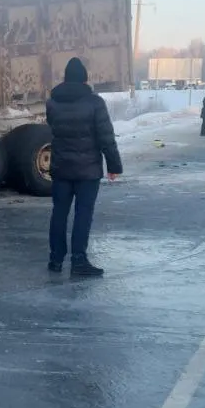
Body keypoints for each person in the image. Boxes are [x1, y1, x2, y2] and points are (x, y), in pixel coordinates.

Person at [46, 57, 123, 276]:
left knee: (59, 213)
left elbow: (53, 127)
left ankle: (55, 259)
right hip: (87, 170)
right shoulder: (95, 103)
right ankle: (79, 260)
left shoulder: (52, 102)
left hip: (61, 167)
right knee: (83, 213)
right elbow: (106, 136)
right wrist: (114, 165)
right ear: (84, 79)